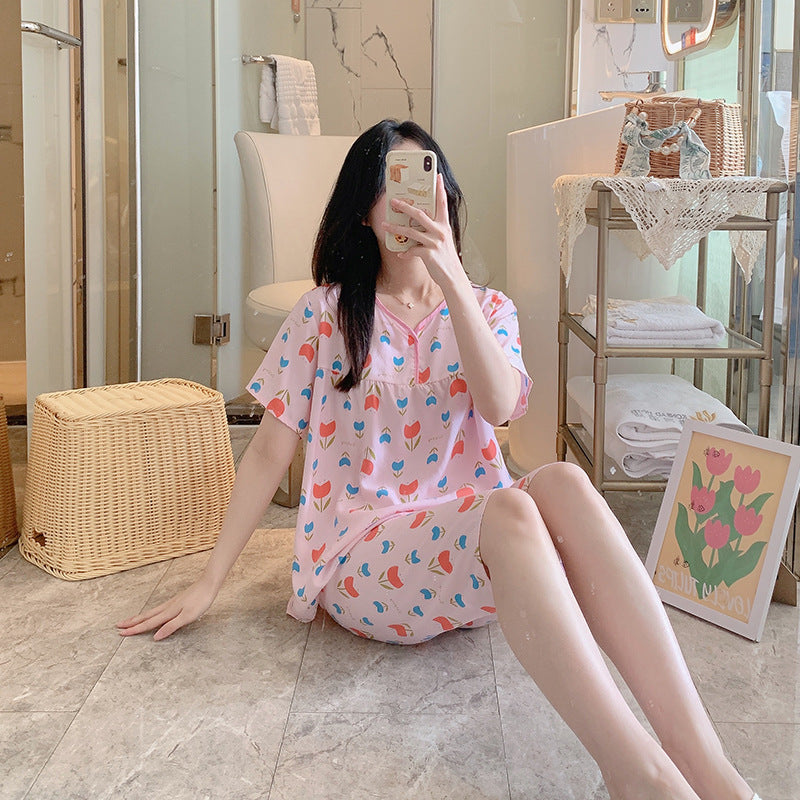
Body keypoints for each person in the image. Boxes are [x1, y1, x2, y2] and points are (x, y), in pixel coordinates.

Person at [118, 120, 759, 800]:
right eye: (392, 187)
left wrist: (452, 278)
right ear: (363, 212)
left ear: (447, 198)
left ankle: (705, 763)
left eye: (427, 184)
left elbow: (501, 405)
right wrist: (210, 582)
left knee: (566, 483)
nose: (414, 204)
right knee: (512, 509)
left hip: (477, 546)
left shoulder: (488, 309)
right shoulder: (324, 314)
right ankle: (640, 775)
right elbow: (268, 453)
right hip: (363, 553)